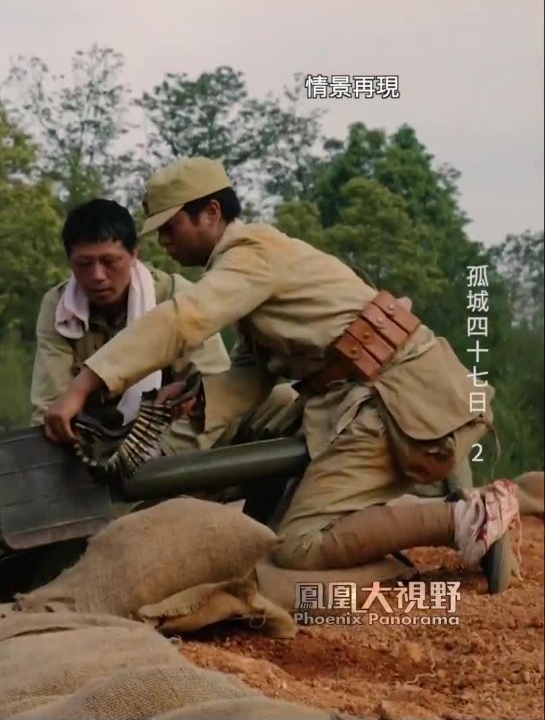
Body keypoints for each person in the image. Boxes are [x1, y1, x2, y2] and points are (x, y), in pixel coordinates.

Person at [42, 157, 520, 593]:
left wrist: (87, 383)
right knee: (298, 519)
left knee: (297, 544)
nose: (163, 242)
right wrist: (196, 398)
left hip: (392, 398)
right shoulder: (250, 264)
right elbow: (254, 372)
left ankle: (467, 517)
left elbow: (184, 318)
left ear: (210, 212)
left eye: (170, 227)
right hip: (374, 395)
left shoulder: (250, 253)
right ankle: (464, 516)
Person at [30, 198, 303, 460]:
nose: (97, 276)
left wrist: (156, 457)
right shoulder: (59, 308)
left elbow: (213, 391)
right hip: (103, 450)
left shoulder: (174, 293)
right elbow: (51, 407)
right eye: (84, 264)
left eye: (109, 262)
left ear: (134, 253)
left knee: (285, 400)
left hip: (186, 440)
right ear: (70, 262)